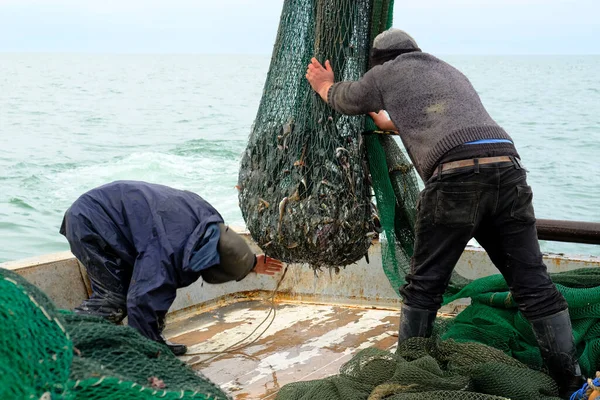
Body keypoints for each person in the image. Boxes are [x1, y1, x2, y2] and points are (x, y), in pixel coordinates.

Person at [305, 28, 583, 397]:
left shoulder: (385, 72)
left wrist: (325, 85)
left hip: (456, 178)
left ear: (378, 61)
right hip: (508, 169)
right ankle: (572, 383)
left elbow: (345, 99)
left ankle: (408, 377)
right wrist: (391, 123)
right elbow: (438, 116)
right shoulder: (446, 70)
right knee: (533, 284)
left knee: (425, 285)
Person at [60, 180, 283, 356]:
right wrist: (150, 355)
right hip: (91, 221)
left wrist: (251, 262)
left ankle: (152, 338)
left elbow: (225, 248)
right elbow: (142, 298)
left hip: (118, 220)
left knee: (153, 285)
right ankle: (59, 337)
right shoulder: (167, 251)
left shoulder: (208, 219)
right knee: (117, 298)